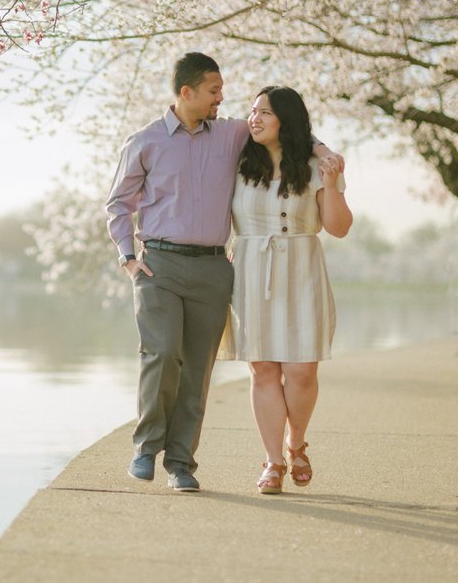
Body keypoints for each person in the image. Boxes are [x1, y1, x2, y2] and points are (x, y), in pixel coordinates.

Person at [105, 52, 341, 492]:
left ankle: (181, 464)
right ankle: (145, 447)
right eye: (214, 90)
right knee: (160, 354)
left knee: (197, 368)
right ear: (187, 92)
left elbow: (287, 129)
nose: (222, 98)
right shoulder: (145, 142)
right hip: (158, 263)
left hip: (215, 267)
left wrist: (323, 149)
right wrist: (128, 258)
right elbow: (118, 204)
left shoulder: (231, 134)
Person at [218, 86, 352, 495]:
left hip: (302, 267)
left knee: (301, 370)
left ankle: (297, 443)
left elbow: (339, 227)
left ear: (287, 121)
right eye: (253, 111)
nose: (254, 118)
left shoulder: (318, 165)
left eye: (265, 113)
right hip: (251, 269)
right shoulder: (238, 160)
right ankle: (273, 461)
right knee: (263, 369)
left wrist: (330, 182)